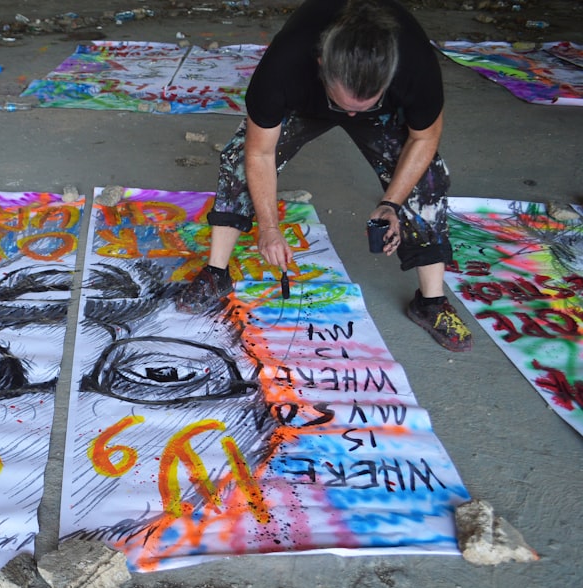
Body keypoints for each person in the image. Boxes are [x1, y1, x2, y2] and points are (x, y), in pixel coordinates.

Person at [175, 0, 472, 352]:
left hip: (384, 108)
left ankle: (431, 302)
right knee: (239, 158)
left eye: (361, 106)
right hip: (306, 103)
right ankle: (216, 271)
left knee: (428, 179)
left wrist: (391, 202)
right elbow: (259, 152)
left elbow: (424, 138)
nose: (349, 114)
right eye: (343, 104)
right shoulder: (284, 66)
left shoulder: (414, 65)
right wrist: (269, 227)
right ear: (321, 66)